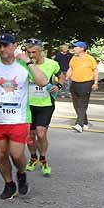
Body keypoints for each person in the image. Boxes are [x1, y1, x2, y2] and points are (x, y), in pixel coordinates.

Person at [0, 33, 48, 200]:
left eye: (5, 45)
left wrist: (28, 61)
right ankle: (9, 184)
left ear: (15, 46)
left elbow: (43, 82)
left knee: (16, 154)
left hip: (19, 118)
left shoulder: (24, 65)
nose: (2, 49)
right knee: (0, 154)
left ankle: (21, 173)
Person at [23, 40, 61, 177]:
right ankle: (33, 157)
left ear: (41, 51)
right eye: (29, 52)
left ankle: (43, 158)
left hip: (45, 104)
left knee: (41, 134)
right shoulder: (24, 64)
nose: (31, 55)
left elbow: (61, 76)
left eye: (34, 52)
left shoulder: (52, 64)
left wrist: (59, 86)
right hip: (28, 104)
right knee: (30, 135)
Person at [66, 41, 99, 133]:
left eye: (76, 47)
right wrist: (67, 77)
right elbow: (70, 68)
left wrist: (95, 83)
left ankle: (79, 124)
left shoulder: (90, 58)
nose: (74, 49)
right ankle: (85, 122)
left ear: (82, 48)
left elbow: (95, 70)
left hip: (86, 83)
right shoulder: (74, 58)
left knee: (82, 104)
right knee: (76, 104)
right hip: (74, 83)